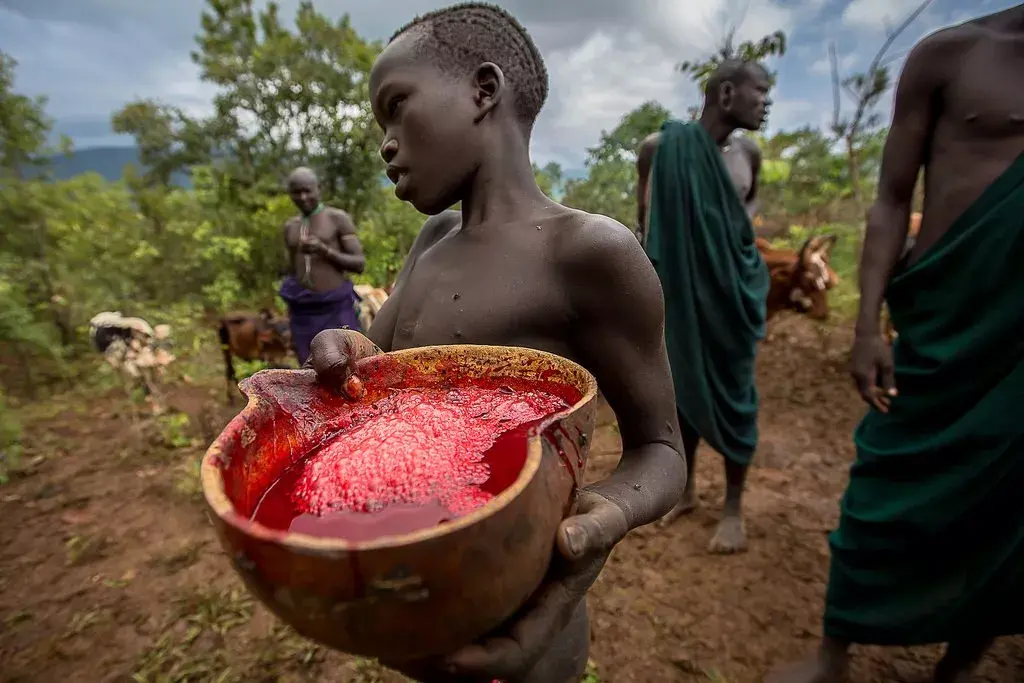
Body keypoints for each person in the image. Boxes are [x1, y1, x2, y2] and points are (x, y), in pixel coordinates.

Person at [305, 3, 686, 681]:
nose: (386, 142)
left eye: (396, 107)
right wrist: (344, 345)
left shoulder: (588, 252)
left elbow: (661, 450)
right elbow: (378, 356)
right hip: (419, 590)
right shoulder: (431, 242)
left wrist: (602, 518)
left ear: (484, 90)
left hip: (526, 619)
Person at [767, 8, 1024, 683]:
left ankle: (961, 662)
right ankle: (834, 652)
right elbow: (889, 197)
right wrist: (866, 323)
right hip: (943, 317)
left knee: (1011, 504)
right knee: (885, 477)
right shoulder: (953, 53)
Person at [635, 60, 772, 553]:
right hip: (682, 294)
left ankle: (733, 505)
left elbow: (745, 214)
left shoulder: (748, 154)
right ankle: (687, 490)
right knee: (682, 388)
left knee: (737, 393)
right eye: (761, 91)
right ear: (728, 93)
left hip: (732, 295)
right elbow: (646, 224)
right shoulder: (659, 150)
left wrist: (723, 247)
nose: (767, 102)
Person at [278, 167, 366, 365]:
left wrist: (324, 250)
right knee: (309, 370)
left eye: (308, 190)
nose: (302, 197)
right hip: (303, 314)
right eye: (296, 192)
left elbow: (359, 263)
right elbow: (293, 270)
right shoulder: (290, 227)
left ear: (319, 188)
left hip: (335, 310)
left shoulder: (337, 219)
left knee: (345, 365)